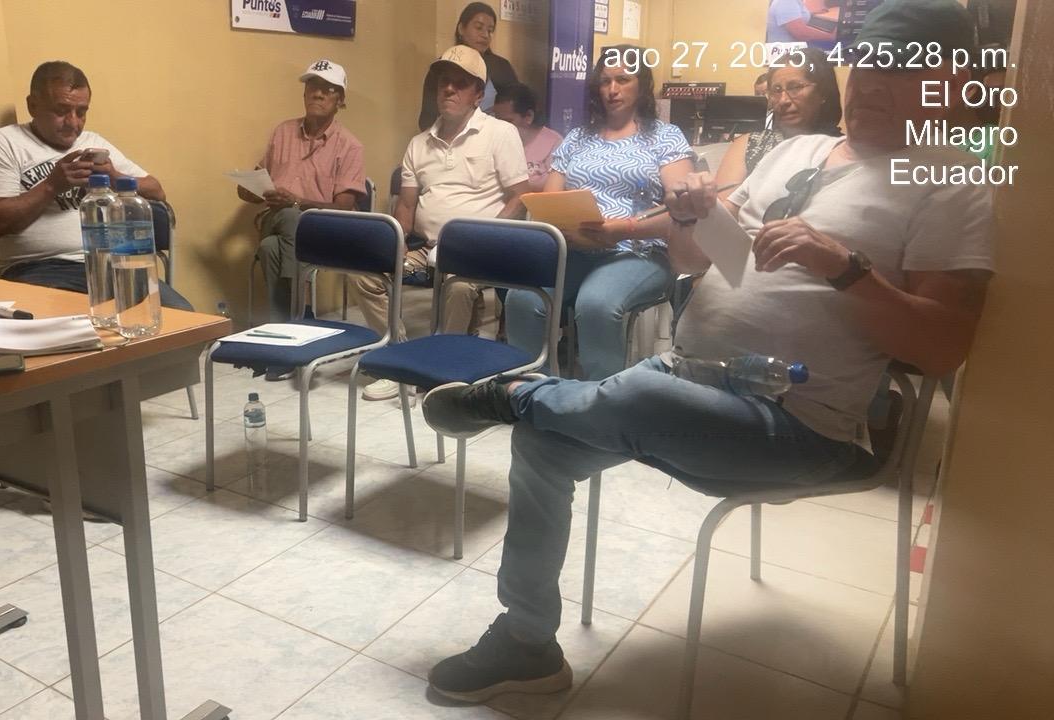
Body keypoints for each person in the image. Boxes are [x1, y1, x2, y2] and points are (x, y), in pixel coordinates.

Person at [418, 0, 993, 702]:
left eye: (901, 70)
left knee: (636, 391)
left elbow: (941, 348)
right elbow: (695, 263)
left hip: (798, 424)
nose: (872, 83)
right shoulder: (796, 151)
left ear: (952, 82)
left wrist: (845, 269)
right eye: (866, 65)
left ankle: (519, 393)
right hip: (690, 380)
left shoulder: (952, 182)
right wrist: (691, 218)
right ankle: (527, 643)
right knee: (546, 443)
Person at [505, 46, 695, 382]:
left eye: (623, 79)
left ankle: (602, 400)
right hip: (575, 248)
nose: (613, 89)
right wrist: (566, 229)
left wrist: (621, 230)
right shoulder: (578, 138)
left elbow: (680, 212)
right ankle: (534, 390)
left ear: (642, 84)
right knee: (522, 298)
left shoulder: (664, 137)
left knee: (596, 303)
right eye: (606, 81)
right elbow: (550, 201)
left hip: (638, 250)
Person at [352, 45, 528, 401]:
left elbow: (520, 198)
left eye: (460, 83)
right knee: (365, 274)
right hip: (428, 247)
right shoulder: (419, 144)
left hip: (480, 249)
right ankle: (399, 359)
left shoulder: (500, 133)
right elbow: (406, 204)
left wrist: (486, 238)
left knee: (458, 286)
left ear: (478, 94)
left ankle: (444, 368)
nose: (448, 89)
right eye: (443, 82)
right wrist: (398, 242)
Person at [0, 61, 191, 310]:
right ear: (33, 105)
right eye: (61, 110)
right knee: (82, 323)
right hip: (42, 269)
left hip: (112, 263)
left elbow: (156, 191)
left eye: (81, 112)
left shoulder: (92, 142)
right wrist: (52, 186)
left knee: (183, 315)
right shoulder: (6, 143)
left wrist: (113, 176)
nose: (73, 122)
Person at [239, 60, 365, 325]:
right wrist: (249, 188)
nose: (318, 94)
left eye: (328, 89)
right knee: (288, 217)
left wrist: (297, 201)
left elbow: (344, 208)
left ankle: (283, 326)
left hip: (323, 229)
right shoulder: (283, 132)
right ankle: (304, 313)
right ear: (304, 93)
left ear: (340, 100)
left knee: (270, 248)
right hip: (274, 220)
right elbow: (258, 180)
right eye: (312, 87)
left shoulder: (350, 145)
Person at [716, 47, 842, 194]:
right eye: (776, 90)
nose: (783, 100)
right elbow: (722, 205)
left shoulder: (842, 151)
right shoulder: (748, 145)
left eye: (795, 87)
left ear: (823, 92)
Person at [418, 2, 519, 131]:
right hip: (449, 138)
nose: (485, 35)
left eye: (490, 30)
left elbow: (516, 113)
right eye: (478, 27)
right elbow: (427, 119)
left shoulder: (501, 67)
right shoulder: (442, 67)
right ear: (461, 28)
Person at [491, 83, 563, 194]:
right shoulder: (491, 139)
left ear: (529, 116)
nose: (500, 127)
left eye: (508, 121)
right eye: (497, 121)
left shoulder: (554, 143)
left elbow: (555, 189)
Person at [766, 0, 837, 47]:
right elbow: (801, 34)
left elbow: (791, 14)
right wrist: (831, 36)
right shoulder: (786, 2)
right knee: (836, 46)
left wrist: (809, 13)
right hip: (785, 53)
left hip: (793, 48)